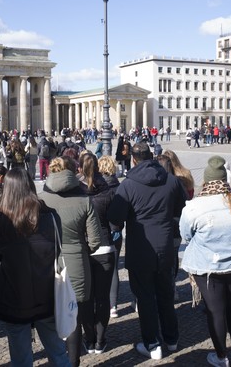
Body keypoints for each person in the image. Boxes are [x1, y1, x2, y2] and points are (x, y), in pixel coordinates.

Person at [107, 142, 187, 360]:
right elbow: (182, 206)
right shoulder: (171, 180)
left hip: (140, 248)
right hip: (165, 244)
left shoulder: (128, 185)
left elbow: (115, 217)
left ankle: (152, 343)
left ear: (133, 159)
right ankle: (171, 339)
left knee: (145, 297)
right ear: (152, 156)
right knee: (165, 293)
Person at [0, 168, 71, 367]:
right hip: (47, 294)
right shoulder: (50, 217)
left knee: (21, 357)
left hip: (15, 297)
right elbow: (57, 250)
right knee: (58, 353)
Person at [180, 155, 231, 367]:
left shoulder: (194, 206)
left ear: (206, 180)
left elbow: (186, 234)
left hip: (207, 266)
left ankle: (222, 356)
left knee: (216, 310)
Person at [38, 156, 102, 367]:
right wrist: (81, 249)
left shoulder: (41, 199)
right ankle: (72, 363)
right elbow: (95, 240)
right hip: (76, 263)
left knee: (49, 317)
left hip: (47, 265)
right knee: (73, 318)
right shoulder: (84, 200)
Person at [77, 153, 116, 355]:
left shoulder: (76, 191)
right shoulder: (108, 191)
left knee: (86, 298)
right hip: (105, 246)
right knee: (102, 297)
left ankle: (89, 339)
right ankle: (101, 341)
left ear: (80, 168)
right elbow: (116, 221)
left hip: (83, 248)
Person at [97, 156, 123, 319]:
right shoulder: (119, 186)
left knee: (99, 269)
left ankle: (100, 301)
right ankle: (113, 306)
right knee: (113, 269)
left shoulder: (97, 186)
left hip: (100, 231)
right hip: (116, 231)